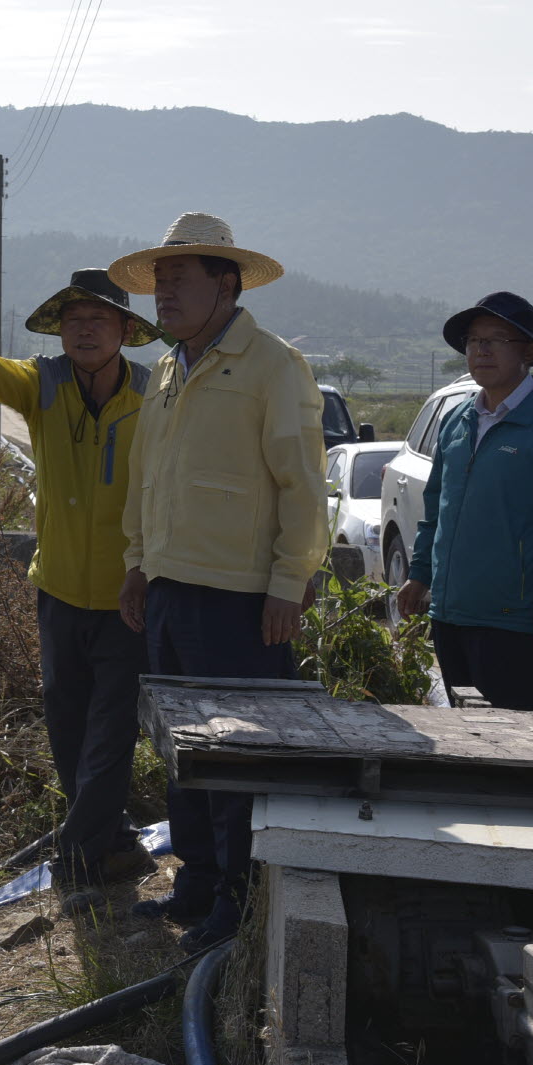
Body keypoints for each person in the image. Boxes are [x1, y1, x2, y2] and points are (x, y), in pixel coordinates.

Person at [109, 213, 327, 951]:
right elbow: (147, 477)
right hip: (170, 588)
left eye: (180, 279)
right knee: (184, 751)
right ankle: (197, 883)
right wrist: (137, 564)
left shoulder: (272, 364)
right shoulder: (170, 369)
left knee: (237, 755)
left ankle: (239, 901)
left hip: (238, 597)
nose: (164, 293)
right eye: (159, 281)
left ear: (226, 284)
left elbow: (303, 483)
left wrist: (288, 582)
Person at [0, 269, 161, 900]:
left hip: (129, 596)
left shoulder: (156, 394)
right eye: (74, 320)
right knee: (68, 728)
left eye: (99, 319)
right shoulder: (44, 384)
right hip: (57, 590)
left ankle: (77, 864)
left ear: (125, 330)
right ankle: (115, 844)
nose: (85, 330)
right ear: (60, 331)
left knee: (111, 732)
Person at [396, 292, 533, 711]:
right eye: (473, 340)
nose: (481, 350)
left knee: (518, 735)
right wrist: (420, 573)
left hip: (516, 619)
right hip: (450, 613)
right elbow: (437, 508)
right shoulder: (457, 419)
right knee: (462, 732)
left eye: (496, 340)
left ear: (528, 352)